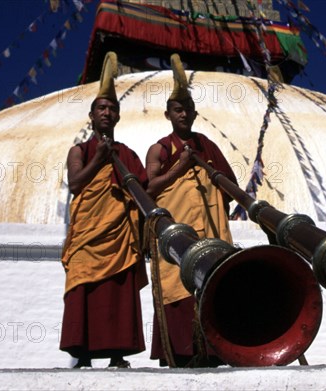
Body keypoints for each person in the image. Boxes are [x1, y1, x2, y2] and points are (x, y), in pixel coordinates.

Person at [145, 54, 238, 368]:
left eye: (188, 109)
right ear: (168, 114)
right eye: (177, 109)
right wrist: (180, 168)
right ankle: (182, 353)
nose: (183, 114)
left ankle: (219, 350)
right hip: (177, 236)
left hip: (212, 231)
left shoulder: (208, 145)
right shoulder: (159, 148)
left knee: (213, 284)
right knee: (178, 285)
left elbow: (230, 186)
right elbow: (150, 190)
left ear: (195, 113)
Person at [59, 52, 148, 368]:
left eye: (112, 109)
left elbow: (142, 188)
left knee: (116, 292)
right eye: (102, 108)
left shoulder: (128, 154)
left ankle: (117, 352)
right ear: (91, 115)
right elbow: (76, 183)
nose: (107, 113)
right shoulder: (79, 151)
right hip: (87, 233)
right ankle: (82, 353)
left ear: (118, 117)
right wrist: (100, 158)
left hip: (118, 234)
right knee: (83, 286)